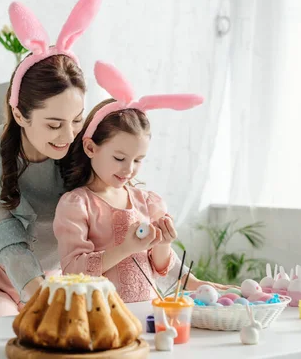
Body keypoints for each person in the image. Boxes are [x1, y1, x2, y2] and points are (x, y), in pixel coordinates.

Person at [0, 0, 103, 319]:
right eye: (53, 124)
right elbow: (8, 238)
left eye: (76, 119)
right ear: (20, 114)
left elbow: (117, 213)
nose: (68, 135)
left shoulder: (82, 148)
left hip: (52, 280)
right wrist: (44, 298)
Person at [53, 60, 215, 302]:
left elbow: (161, 267)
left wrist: (163, 243)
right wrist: (125, 248)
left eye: (139, 160)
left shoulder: (147, 202)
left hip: (147, 313)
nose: (129, 169)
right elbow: (73, 270)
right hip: (100, 317)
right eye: (119, 158)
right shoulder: (77, 204)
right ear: (90, 147)